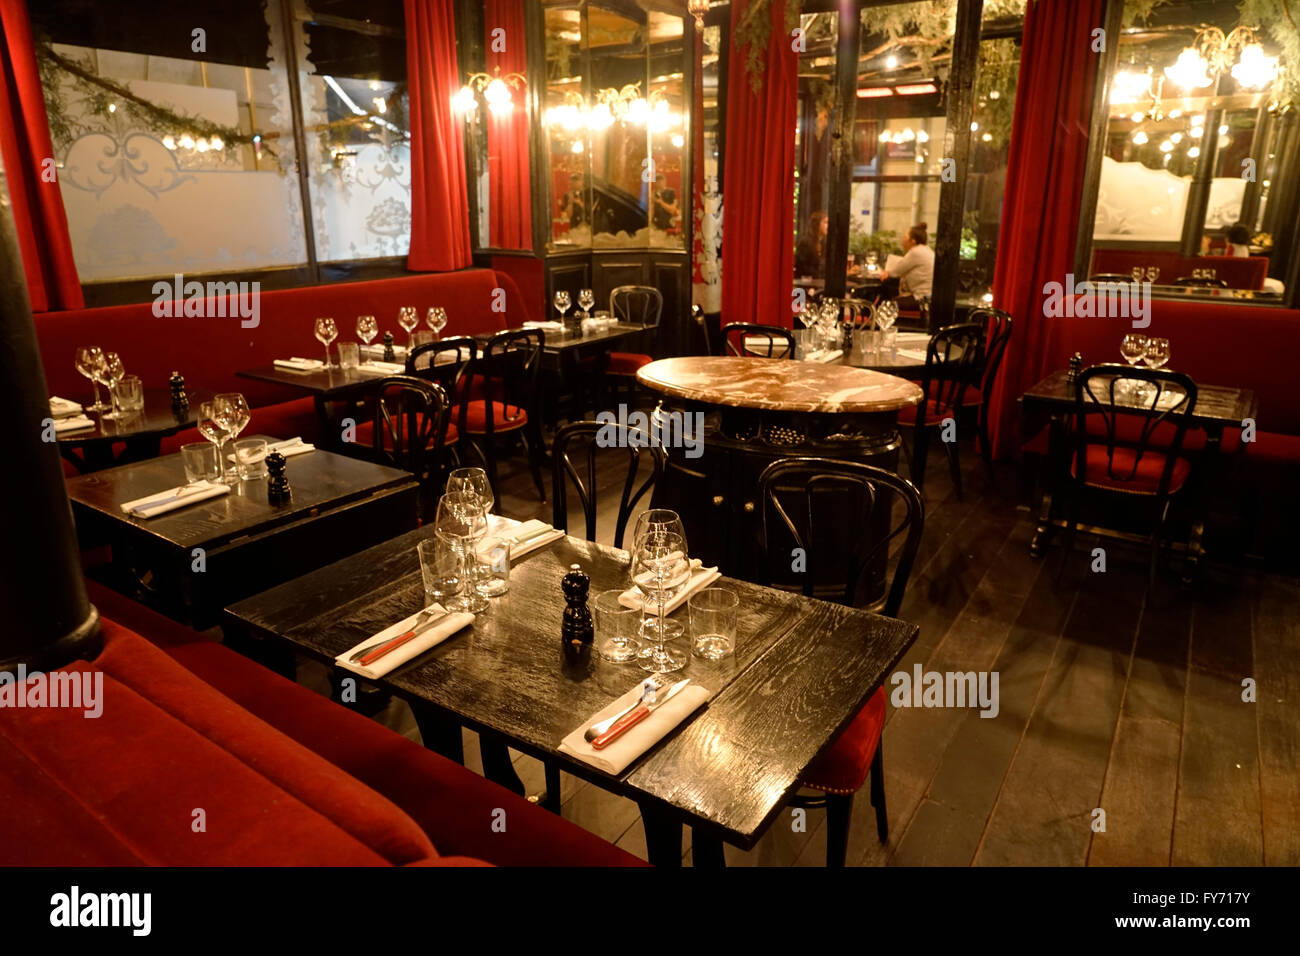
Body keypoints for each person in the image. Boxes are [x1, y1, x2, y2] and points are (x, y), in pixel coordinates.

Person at [881, 222, 934, 303]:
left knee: (888, 305)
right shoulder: (927, 250)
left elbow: (897, 271)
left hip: (920, 297)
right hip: (928, 295)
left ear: (913, 241)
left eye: (905, 236)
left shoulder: (916, 252)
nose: (903, 239)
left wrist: (887, 273)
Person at [795, 210, 828, 279]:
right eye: (825, 222)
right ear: (817, 224)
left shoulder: (824, 243)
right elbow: (801, 266)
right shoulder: (805, 242)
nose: (828, 226)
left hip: (820, 282)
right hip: (806, 284)